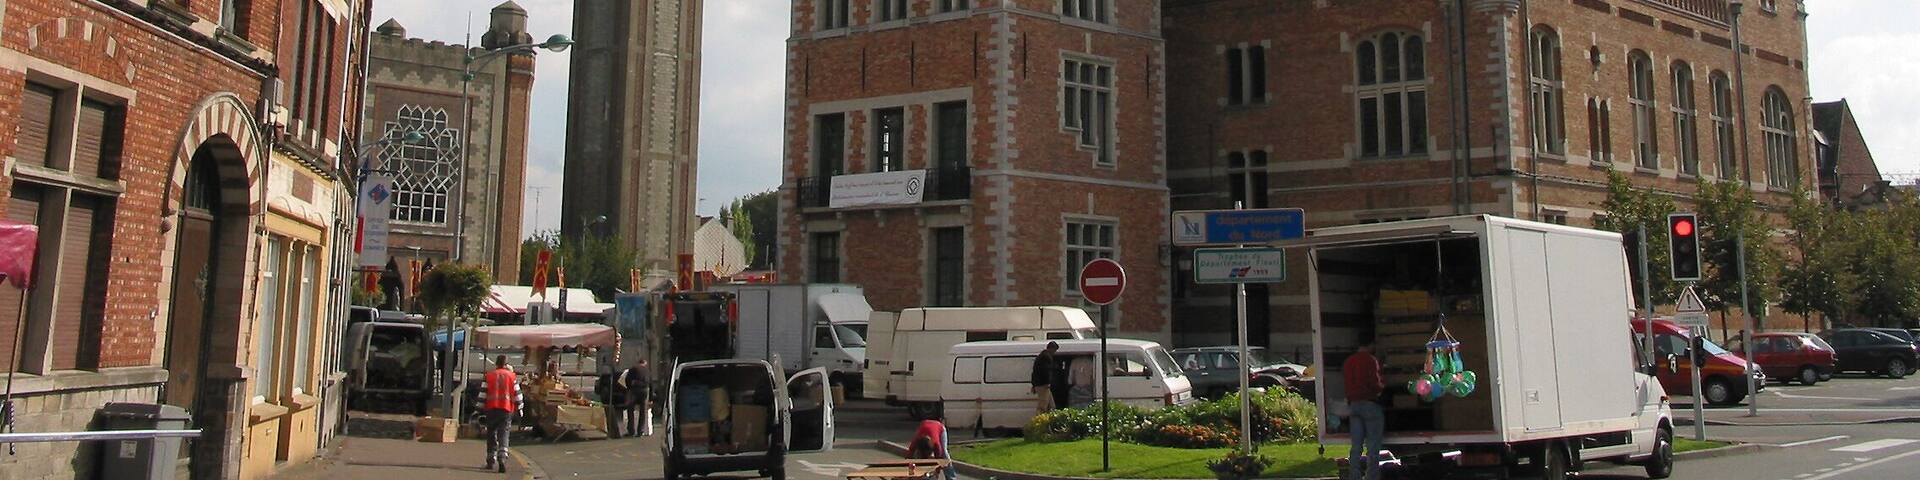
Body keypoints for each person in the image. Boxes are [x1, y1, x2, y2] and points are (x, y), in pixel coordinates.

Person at [1343, 341, 1385, 480]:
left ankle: (1354, 476)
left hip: (1354, 405)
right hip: (1369, 403)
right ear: (1370, 345)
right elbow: (1374, 382)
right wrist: (1381, 388)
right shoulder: (1370, 360)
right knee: (1373, 446)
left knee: (1356, 446)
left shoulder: (1349, 361)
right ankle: (1371, 476)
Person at [483, 355, 521, 473]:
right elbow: (518, 395)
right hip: (506, 409)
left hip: (491, 408)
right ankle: (502, 456)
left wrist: (478, 409)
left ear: (496, 363)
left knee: (491, 433)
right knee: (504, 432)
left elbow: (483, 394)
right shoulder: (512, 376)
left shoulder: (489, 376)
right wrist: (520, 407)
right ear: (506, 364)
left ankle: (491, 458)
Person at [907, 416, 957, 480]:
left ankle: (951, 477)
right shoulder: (916, 439)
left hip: (940, 428)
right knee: (915, 456)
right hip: (925, 425)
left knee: (944, 453)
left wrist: (936, 473)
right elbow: (910, 453)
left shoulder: (936, 444)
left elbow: (939, 460)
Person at [623, 361, 653, 436]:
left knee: (630, 409)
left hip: (634, 390)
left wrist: (629, 388)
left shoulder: (633, 369)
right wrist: (651, 398)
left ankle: (631, 430)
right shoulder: (647, 371)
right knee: (643, 411)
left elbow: (627, 380)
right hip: (645, 391)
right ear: (645, 364)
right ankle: (640, 431)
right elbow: (651, 384)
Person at [1031, 342, 1059, 413]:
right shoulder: (1046, 357)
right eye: (1054, 350)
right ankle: (1038, 419)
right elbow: (1046, 371)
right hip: (1043, 385)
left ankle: (1049, 419)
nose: (1054, 352)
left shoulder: (1040, 356)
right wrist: (1047, 382)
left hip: (1039, 384)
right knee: (1042, 406)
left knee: (1051, 406)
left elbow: (1034, 372)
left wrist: (1034, 385)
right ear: (1051, 348)